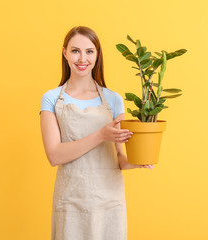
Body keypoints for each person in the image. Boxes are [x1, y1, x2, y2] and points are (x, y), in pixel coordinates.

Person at [39, 26, 154, 240]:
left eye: (89, 51)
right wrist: (101, 135)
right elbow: (54, 155)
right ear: (64, 53)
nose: (82, 58)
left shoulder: (113, 99)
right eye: (75, 51)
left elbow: (119, 159)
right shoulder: (52, 99)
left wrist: (138, 160)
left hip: (108, 201)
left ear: (97, 54)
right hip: (71, 200)